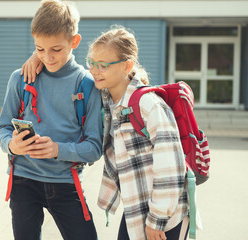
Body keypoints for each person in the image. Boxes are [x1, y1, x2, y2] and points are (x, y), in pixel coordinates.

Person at [22, 26, 190, 240]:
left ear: (127, 65)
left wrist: (157, 220)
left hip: (165, 218)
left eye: (102, 65)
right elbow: (61, 57)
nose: (94, 71)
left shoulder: (149, 105)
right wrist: (37, 57)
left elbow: (171, 168)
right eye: (91, 63)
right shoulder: (108, 100)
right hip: (136, 211)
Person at [0, 1, 103, 239]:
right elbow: (2, 128)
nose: (47, 57)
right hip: (23, 181)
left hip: (66, 182)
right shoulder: (20, 78)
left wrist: (57, 149)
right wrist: (11, 144)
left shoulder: (87, 84)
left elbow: (95, 148)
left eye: (56, 49)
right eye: (39, 49)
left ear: (74, 42)